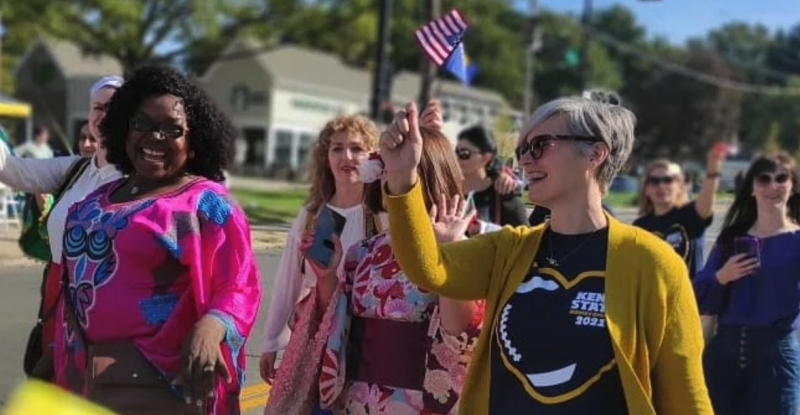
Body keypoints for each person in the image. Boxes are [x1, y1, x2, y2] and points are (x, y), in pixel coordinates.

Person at [378, 98, 712, 414]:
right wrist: (402, 177)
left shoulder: (652, 262)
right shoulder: (509, 248)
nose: (525, 160)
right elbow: (429, 270)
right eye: (523, 149)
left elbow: (686, 395)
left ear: (595, 153)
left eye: (540, 145)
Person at [53, 65, 261, 415]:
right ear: (125, 128)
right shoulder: (92, 201)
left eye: (172, 129)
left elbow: (239, 284)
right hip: (81, 376)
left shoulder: (206, 203)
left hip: (159, 385)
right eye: (143, 124)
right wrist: (51, 356)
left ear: (194, 142)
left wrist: (213, 326)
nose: (156, 137)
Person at [270, 125, 482, 415]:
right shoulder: (363, 252)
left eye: (400, 173)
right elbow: (338, 322)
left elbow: (460, 336)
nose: (388, 183)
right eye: (385, 175)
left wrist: (450, 255)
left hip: (418, 402)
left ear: (429, 178)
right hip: (357, 398)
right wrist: (328, 278)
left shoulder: (462, 248)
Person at [0, 75, 123, 380]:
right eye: (97, 107)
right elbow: (12, 170)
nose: (103, 115)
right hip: (57, 300)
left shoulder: (144, 178)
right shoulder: (76, 168)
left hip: (110, 310)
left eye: (113, 107)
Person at [259, 114, 381, 385]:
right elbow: (288, 283)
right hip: (316, 340)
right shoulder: (316, 218)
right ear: (325, 157)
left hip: (366, 345)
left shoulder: (381, 218)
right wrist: (271, 340)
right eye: (337, 148)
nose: (346, 156)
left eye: (357, 148)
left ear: (373, 157)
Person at [694, 152, 800, 415]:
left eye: (781, 178)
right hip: (724, 353)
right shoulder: (731, 239)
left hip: (775, 354)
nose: (773, 186)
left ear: (793, 186)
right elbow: (698, 296)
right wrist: (722, 276)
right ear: (752, 188)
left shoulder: (796, 240)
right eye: (763, 179)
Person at [633, 144, 725, 280]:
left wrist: (712, 170)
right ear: (646, 189)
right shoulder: (640, 226)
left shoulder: (689, 215)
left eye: (668, 180)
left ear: (679, 187)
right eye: (654, 181)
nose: (661, 186)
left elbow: (706, 204)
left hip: (688, 298)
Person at [456, 125, 527, 233]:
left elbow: (524, 241)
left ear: (486, 158)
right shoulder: (449, 194)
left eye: (464, 153)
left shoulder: (504, 196)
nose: (457, 158)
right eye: (456, 152)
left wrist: (484, 229)